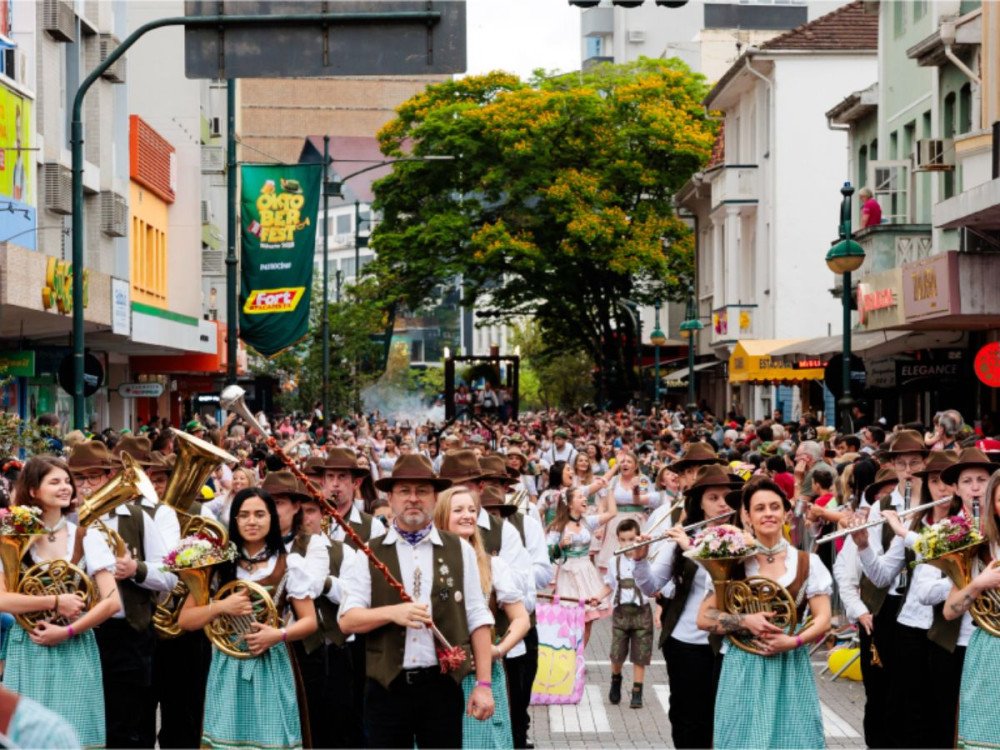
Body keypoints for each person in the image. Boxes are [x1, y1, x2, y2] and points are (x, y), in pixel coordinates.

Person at [338, 454, 496, 748]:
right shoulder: (369, 553)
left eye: (422, 491)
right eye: (404, 491)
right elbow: (347, 621)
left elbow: (478, 617)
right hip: (386, 688)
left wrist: (484, 685)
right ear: (391, 498)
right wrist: (392, 612)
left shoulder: (459, 549)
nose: (413, 499)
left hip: (442, 687)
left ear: (435, 498)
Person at [697, 478, 832, 749]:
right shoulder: (732, 561)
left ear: (786, 512)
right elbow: (704, 618)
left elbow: (823, 619)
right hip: (743, 665)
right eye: (759, 508)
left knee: (793, 740)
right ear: (747, 515)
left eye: (774, 506)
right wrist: (744, 620)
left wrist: (792, 641)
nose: (768, 513)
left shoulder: (807, 562)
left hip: (789, 665)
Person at [178, 487, 318, 748]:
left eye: (259, 514)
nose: (252, 521)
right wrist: (221, 607)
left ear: (271, 519)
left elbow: (310, 621)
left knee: (272, 739)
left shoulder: (290, 564)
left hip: (271, 663)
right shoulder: (218, 565)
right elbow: (185, 620)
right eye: (243, 515)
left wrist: (278, 634)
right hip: (227, 664)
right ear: (234, 520)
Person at [1, 456, 122, 748]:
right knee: (29, 737)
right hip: (29, 644)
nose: (65, 487)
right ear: (33, 490)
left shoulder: (87, 534)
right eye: (54, 482)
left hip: (74, 644)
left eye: (67, 481)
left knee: (76, 733)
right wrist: (56, 601)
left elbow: (112, 601)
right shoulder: (13, 536)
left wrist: (68, 630)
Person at [71, 439, 176, 748]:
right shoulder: (65, 521)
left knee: (130, 725)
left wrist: (136, 570)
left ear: (108, 477)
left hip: (127, 632)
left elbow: (170, 578)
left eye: (94, 476)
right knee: (87, 723)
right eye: (80, 478)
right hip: (78, 634)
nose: (87, 484)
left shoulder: (138, 517)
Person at [632, 463, 743, 748]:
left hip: (729, 642)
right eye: (713, 498)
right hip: (685, 643)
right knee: (686, 717)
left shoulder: (743, 538)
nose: (722, 504)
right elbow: (651, 586)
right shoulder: (683, 536)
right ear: (700, 504)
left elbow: (724, 578)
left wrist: (691, 549)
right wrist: (640, 559)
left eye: (727, 498)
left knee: (723, 718)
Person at [434, 485, 530, 749]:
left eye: (472, 510)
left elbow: (521, 619)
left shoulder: (491, 564)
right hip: (440, 674)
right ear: (442, 516)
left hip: (483, 675)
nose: (467, 515)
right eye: (458, 510)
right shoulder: (428, 562)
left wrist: (497, 650)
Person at [295, 479, 361, 749]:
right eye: (300, 510)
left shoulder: (343, 551)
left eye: (311, 510)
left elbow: (354, 596)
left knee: (337, 726)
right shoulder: (282, 551)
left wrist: (325, 583)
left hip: (333, 650)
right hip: (294, 648)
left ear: (323, 514)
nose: (305, 517)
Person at [942, 465, 1000, 748]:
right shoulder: (979, 550)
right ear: (993, 505)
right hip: (990, 652)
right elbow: (950, 610)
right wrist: (979, 583)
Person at [546, 486, 618, 646]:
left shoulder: (588, 521)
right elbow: (548, 553)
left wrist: (610, 490)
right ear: (570, 504)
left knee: (588, 620)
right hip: (568, 574)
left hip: (586, 571)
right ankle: (568, 657)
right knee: (571, 620)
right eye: (580, 497)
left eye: (584, 497)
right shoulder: (558, 526)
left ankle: (580, 659)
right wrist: (560, 546)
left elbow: (612, 513)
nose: (585, 499)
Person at [593, 518, 653, 709]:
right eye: (624, 540)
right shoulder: (614, 562)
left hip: (641, 612)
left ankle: (637, 690)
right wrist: (597, 597)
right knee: (617, 653)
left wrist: (660, 609)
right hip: (621, 613)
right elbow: (610, 585)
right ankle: (616, 679)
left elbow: (655, 585)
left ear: (639, 538)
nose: (628, 544)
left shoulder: (646, 561)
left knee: (640, 653)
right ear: (618, 540)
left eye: (632, 539)